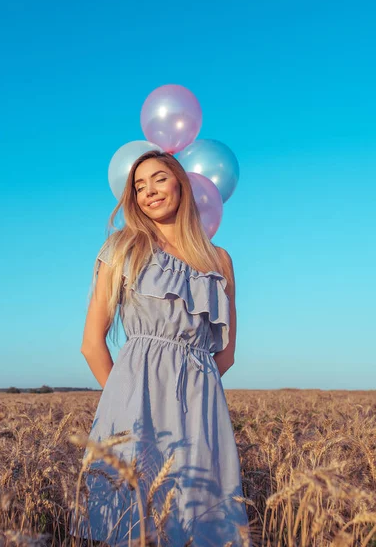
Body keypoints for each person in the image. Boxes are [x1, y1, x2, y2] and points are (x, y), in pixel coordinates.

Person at [69, 150, 251, 546]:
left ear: (180, 184)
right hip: (135, 404)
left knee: (197, 521)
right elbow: (91, 344)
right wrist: (126, 398)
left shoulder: (219, 260)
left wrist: (190, 397)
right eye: (138, 186)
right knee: (131, 522)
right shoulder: (123, 247)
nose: (149, 191)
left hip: (201, 410)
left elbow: (227, 353)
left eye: (159, 179)